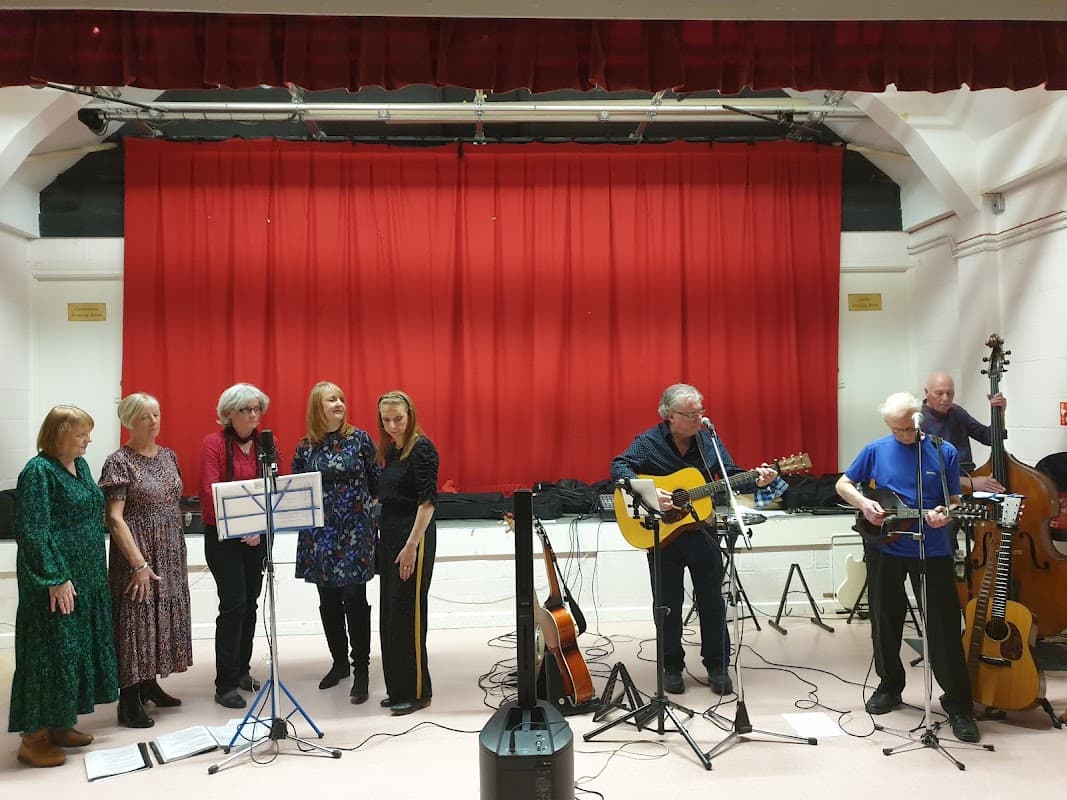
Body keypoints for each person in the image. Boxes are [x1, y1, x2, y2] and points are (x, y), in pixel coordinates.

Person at [610, 383, 786, 696]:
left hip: (702, 531)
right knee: (667, 604)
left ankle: (717, 666)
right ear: (669, 416)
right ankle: (672, 667)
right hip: (663, 536)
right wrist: (650, 491)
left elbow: (730, 473)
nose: (698, 419)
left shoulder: (708, 441)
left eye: (700, 412)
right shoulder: (649, 442)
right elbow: (619, 467)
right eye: (690, 414)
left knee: (713, 602)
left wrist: (757, 477)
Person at [834, 391, 980, 743]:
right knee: (885, 619)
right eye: (894, 429)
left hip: (932, 551)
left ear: (919, 420)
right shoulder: (876, 449)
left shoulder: (942, 452)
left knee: (943, 626)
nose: (901, 435)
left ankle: (958, 704)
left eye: (905, 428)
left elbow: (955, 501)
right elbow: (843, 484)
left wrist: (943, 515)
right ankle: (890, 686)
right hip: (885, 546)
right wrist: (865, 503)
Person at [8, 406, 118, 767]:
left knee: (73, 652)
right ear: (59, 435)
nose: (89, 439)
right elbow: (34, 530)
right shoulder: (38, 472)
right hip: (55, 579)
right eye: (81, 433)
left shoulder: (81, 466)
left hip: (86, 576)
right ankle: (33, 737)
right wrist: (55, 578)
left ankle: (60, 723)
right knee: (50, 653)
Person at [100, 393, 192, 728]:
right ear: (129, 421)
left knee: (161, 617)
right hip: (136, 552)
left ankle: (149, 682)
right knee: (136, 621)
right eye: (144, 416)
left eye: (156, 414)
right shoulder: (118, 461)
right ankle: (128, 698)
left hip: (169, 549)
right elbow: (114, 517)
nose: (153, 421)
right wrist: (138, 564)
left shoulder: (169, 455)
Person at [292, 381, 382, 703]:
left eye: (341, 398)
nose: (339, 404)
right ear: (318, 407)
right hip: (320, 536)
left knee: (355, 600)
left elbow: (376, 482)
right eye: (332, 400)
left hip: (355, 532)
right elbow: (296, 491)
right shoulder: (306, 447)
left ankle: (362, 670)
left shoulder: (360, 440)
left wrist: (370, 516)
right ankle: (339, 663)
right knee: (329, 602)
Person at [199, 383, 273, 709]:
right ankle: (225, 683)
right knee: (233, 604)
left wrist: (259, 528)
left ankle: (242, 670)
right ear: (228, 413)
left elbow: (273, 488)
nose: (253, 415)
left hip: (256, 538)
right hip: (223, 538)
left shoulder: (265, 444)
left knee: (252, 603)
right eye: (245, 409)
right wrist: (243, 526)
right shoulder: (212, 444)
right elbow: (210, 492)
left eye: (257, 409)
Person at [375, 390, 439, 715]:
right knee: (391, 616)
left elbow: (427, 503)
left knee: (409, 617)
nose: (392, 425)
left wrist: (412, 545)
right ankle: (397, 687)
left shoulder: (422, 448)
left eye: (398, 419)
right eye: (386, 420)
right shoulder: (393, 450)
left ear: (410, 415)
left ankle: (417, 691)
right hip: (390, 537)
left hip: (413, 537)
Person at [921, 371, 1006, 494]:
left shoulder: (957, 412)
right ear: (926, 392)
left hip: (966, 483)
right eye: (939, 393)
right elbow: (926, 471)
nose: (945, 398)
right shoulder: (918, 420)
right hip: (938, 491)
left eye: (950, 393)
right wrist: (971, 482)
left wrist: (1000, 413)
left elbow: (988, 437)